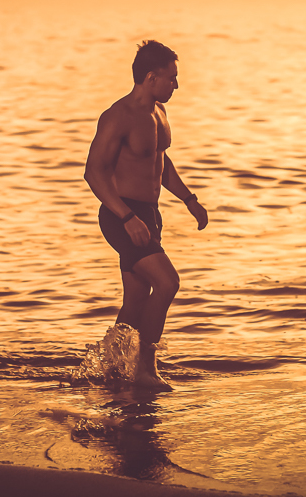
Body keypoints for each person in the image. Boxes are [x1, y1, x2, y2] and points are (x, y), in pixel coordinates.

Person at [84, 40, 208, 390]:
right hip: (121, 215)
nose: (176, 85)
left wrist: (189, 200)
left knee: (137, 299)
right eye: (172, 78)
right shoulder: (118, 116)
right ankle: (145, 369)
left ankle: (111, 368)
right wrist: (127, 218)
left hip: (149, 214)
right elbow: (94, 172)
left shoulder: (159, 112)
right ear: (151, 77)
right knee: (168, 283)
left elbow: (160, 163)